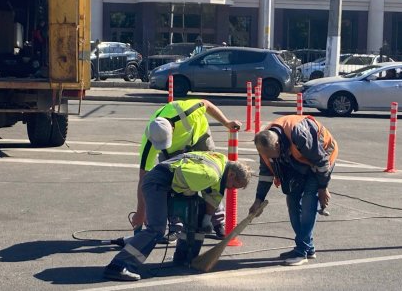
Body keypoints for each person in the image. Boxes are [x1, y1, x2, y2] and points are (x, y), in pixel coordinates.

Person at [104, 151, 252, 281]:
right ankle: (118, 265)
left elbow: (214, 195)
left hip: (165, 179)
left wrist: (207, 218)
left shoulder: (221, 161)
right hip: (157, 183)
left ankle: (182, 258)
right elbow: (180, 181)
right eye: (233, 185)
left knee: (196, 212)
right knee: (156, 228)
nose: (230, 188)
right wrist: (178, 208)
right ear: (231, 174)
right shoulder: (210, 174)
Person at [131, 99, 242, 242]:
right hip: (174, 152)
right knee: (171, 181)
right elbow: (144, 178)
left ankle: (217, 221)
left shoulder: (188, 111)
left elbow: (206, 104)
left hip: (199, 137)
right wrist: (141, 212)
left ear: (173, 129)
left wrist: (226, 122)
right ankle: (176, 226)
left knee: (213, 176)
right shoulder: (150, 141)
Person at [248, 115, 338, 266]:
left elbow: (321, 162)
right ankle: (307, 249)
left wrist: (323, 187)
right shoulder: (263, 144)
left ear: (277, 145)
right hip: (299, 162)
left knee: (309, 198)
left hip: (322, 159)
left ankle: (301, 251)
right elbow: (266, 172)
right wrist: (259, 199)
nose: (270, 159)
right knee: (292, 199)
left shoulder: (299, 135)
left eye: (271, 156)